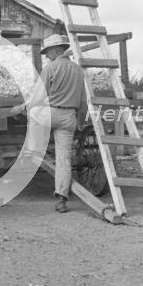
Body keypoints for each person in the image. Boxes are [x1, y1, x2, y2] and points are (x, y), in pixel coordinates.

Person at [11, 34, 87, 213]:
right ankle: (61, 198)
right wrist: (81, 123)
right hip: (69, 116)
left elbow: (38, 96)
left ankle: (35, 149)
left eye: (48, 52)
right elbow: (83, 102)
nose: (46, 56)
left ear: (56, 50)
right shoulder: (78, 70)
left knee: (34, 111)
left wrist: (22, 106)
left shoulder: (50, 69)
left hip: (49, 113)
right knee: (64, 160)